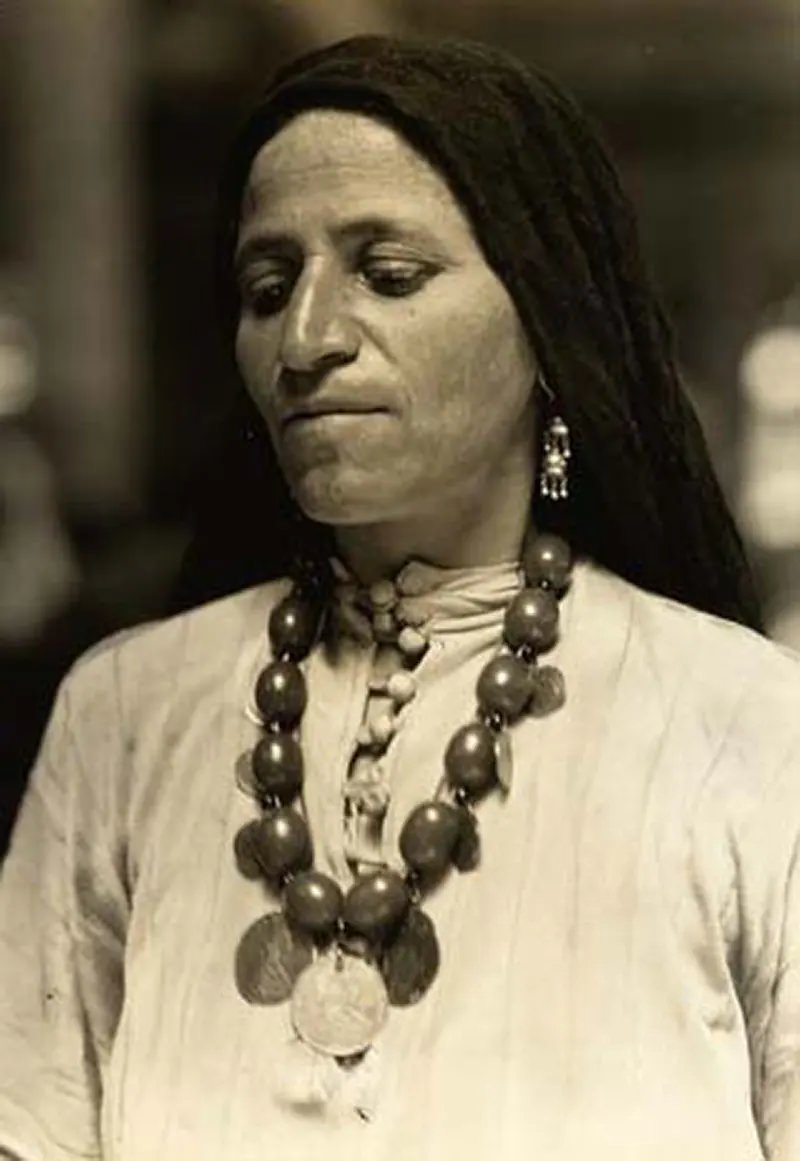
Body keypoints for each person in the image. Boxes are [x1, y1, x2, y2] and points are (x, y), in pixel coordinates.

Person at [1, 34, 799, 1161]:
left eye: (388, 276)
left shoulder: (749, 722)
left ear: (545, 317)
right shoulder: (123, 717)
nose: (307, 341)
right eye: (267, 288)